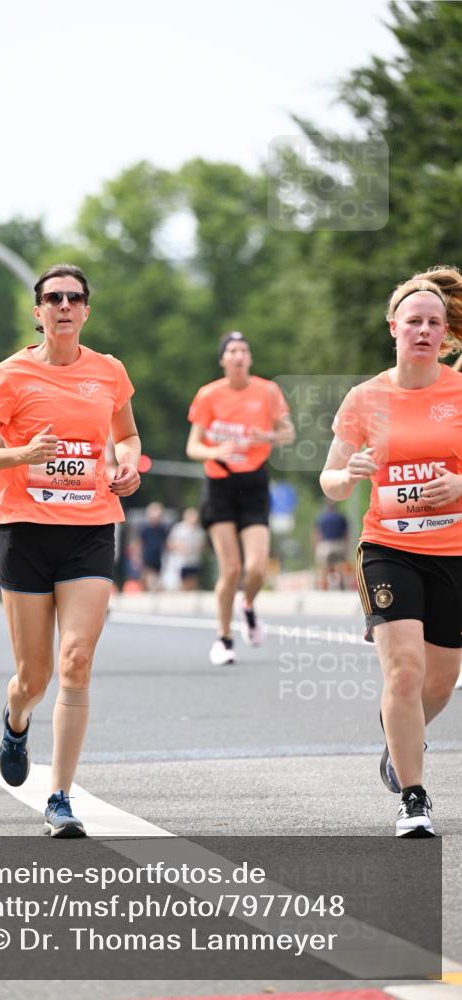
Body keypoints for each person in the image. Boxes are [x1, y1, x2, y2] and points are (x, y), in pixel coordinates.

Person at [0, 264, 141, 838]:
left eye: (74, 297)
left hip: (90, 527)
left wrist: (128, 463)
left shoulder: (109, 371)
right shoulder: (11, 374)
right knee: (33, 678)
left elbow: (126, 435)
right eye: (53, 298)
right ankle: (16, 720)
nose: (64, 305)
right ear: (37, 311)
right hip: (25, 531)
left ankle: (60, 797)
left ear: (87, 310)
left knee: (77, 660)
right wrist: (23, 455)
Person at [320, 265, 462, 838]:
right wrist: (349, 472)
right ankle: (413, 796)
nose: (423, 331)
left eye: (433, 323)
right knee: (404, 671)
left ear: (445, 333)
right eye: (413, 322)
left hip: (453, 550)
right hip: (388, 548)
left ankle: (401, 740)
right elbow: (329, 480)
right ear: (393, 328)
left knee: (440, 682)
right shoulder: (365, 398)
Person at [186, 331, 295, 664]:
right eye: (232, 350)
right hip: (219, 484)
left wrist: (268, 436)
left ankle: (247, 605)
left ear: (249, 358)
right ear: (223, 359)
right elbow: (193, 447)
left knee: (257, 569)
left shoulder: (268, 391)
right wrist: (215, 451)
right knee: (231, 569)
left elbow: (289, 433)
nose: (238, 355)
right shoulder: (208, 395)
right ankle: (224, 639)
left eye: (244, 350)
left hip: (254, 484)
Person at [167, 507, 207, 591]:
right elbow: (170, 543)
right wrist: (182, 547)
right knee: (183, 584)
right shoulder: (179, 529)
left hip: (194, 561)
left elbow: (203, 545)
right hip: (181, 562)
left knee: (193, 582)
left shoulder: (200, 531)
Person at [313, 499, 349, 590]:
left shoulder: (321, 518)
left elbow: (317, 534)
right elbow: (346, 534)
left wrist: (316, 546)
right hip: (338, 544)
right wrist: (346, 547)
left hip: (325, 545)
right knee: (340, 565)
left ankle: (323, 588)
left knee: (324, 567)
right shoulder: (341, 517)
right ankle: (342, 586)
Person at [139, 501, 169, 591]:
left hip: (159, 559)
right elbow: (139, 543)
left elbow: (165, 543)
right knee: (149, 581)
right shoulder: (144, 529)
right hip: (147, 558)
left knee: (156, 582)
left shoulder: (162, 529)